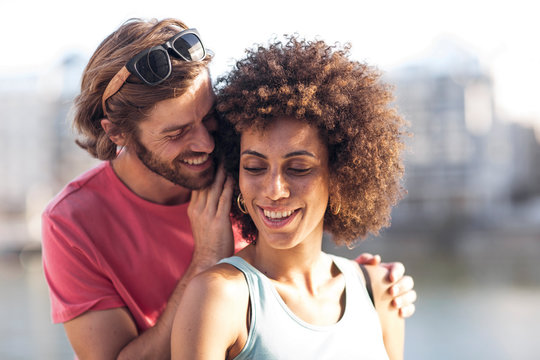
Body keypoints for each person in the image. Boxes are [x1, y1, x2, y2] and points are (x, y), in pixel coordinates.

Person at [41, 18, 416, 359]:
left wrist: (365, 287)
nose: (206, 143)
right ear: (117, 133)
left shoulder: (242, 165)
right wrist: (206, 261)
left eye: (209, 116)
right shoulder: (72, 223)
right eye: (177, 133)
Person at [171, 35, 409, 359]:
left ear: (340, 175)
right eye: (254, 167)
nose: (274, 190)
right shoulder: (220, 297)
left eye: (298, 168)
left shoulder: (380, 290)